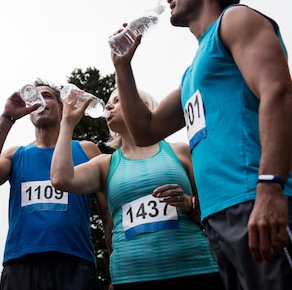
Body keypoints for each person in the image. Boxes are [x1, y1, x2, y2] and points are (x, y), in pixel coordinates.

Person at [111, 0, 292, 290]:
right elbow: (145, 130)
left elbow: (279, 93)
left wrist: (270, 187)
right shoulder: (194, 71)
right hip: (216, 215)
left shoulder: (236, 20)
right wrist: (123, 67)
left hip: (255, 197)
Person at [51, 88, 224, 290]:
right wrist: (68, 123)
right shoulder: (105, 164)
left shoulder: (180, 152)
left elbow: (215, 209)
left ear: (143, 105)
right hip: (131, 276)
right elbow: (60, 178)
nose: (108, 106)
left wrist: (188, 203)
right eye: (108, 102)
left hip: (196, 269)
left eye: (117, 99)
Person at [0, 79, 111, 290]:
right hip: (21, 264)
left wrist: (115, 265)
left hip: (75, 262)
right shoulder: (16, 154)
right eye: (35, 97)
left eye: (47, 96)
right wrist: (7, 117)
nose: (40, 101)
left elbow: (107, 213)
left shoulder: (86, 150)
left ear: (62, 109)